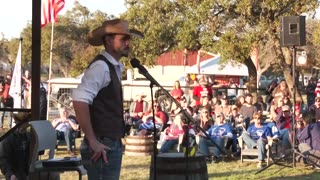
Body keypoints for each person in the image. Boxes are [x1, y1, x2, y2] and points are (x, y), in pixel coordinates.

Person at [72, 19, 143, 179]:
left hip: (109, 140)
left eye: (128, 39)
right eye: (123, 39)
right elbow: (79, 99)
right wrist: (92, 140)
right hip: (102, 142)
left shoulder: (113, 66)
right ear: (109, 40)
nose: (128, 43)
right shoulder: (101, 67)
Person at [0, 112, 60, 180]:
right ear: (17, 122)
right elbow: (3, 160)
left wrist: (41, 138)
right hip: (17, 174)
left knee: (54, 174)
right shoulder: (8, 139)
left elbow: (38, 153)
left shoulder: (28, 136)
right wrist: (10, 175)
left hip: (31, 171)